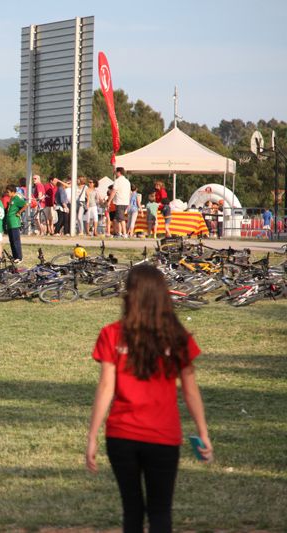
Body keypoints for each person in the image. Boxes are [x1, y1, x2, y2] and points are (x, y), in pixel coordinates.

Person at [85, 264, 213, 533]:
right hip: (163, 436)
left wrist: (92, 436)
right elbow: (190, 390)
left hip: (121, 436)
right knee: (160, 512)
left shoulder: (112, 334)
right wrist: (203, 432)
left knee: (132, 511)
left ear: (130, 294)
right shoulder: (176, 336)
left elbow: (106, 387)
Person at [5, 185, 27, 263]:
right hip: (10, 223)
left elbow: (25, 205)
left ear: (13, 192)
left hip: (14, 223)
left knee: (16, 241)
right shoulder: (11, 199)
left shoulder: (17, 199)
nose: (7, 193)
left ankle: (19, 257)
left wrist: (19, 212)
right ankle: (15, 257)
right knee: (11, 241)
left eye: (8, 192)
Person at [111, 167, 131, 237]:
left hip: (120, 201)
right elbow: (129, 192)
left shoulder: (117, 181)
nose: (115, 173)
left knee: (121, 218)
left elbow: (114, 191)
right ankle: (119, 232)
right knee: (117, 218)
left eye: (116, 172)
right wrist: (128, 202)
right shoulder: (127, 181)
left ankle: (125, 233)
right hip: (125, 201)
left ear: (119, 172)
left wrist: (109, 201)